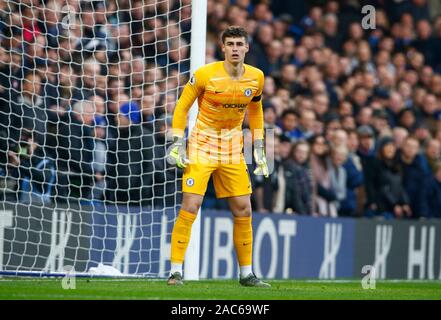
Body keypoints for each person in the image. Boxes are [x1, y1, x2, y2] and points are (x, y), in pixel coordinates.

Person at [166, 26, 270, 287]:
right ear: (222, 48)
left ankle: (246, 273)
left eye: (239, 44)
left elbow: (256, 112)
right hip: (202, 145)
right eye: (230, 44)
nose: (235, 48)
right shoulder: (205, 75)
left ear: (247, 48)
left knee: (244, 208)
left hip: (233, 149)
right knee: (191, 206)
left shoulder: (257, 77)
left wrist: (258, 147)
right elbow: (182, 107)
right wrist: (177, 143)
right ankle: (175, 271)